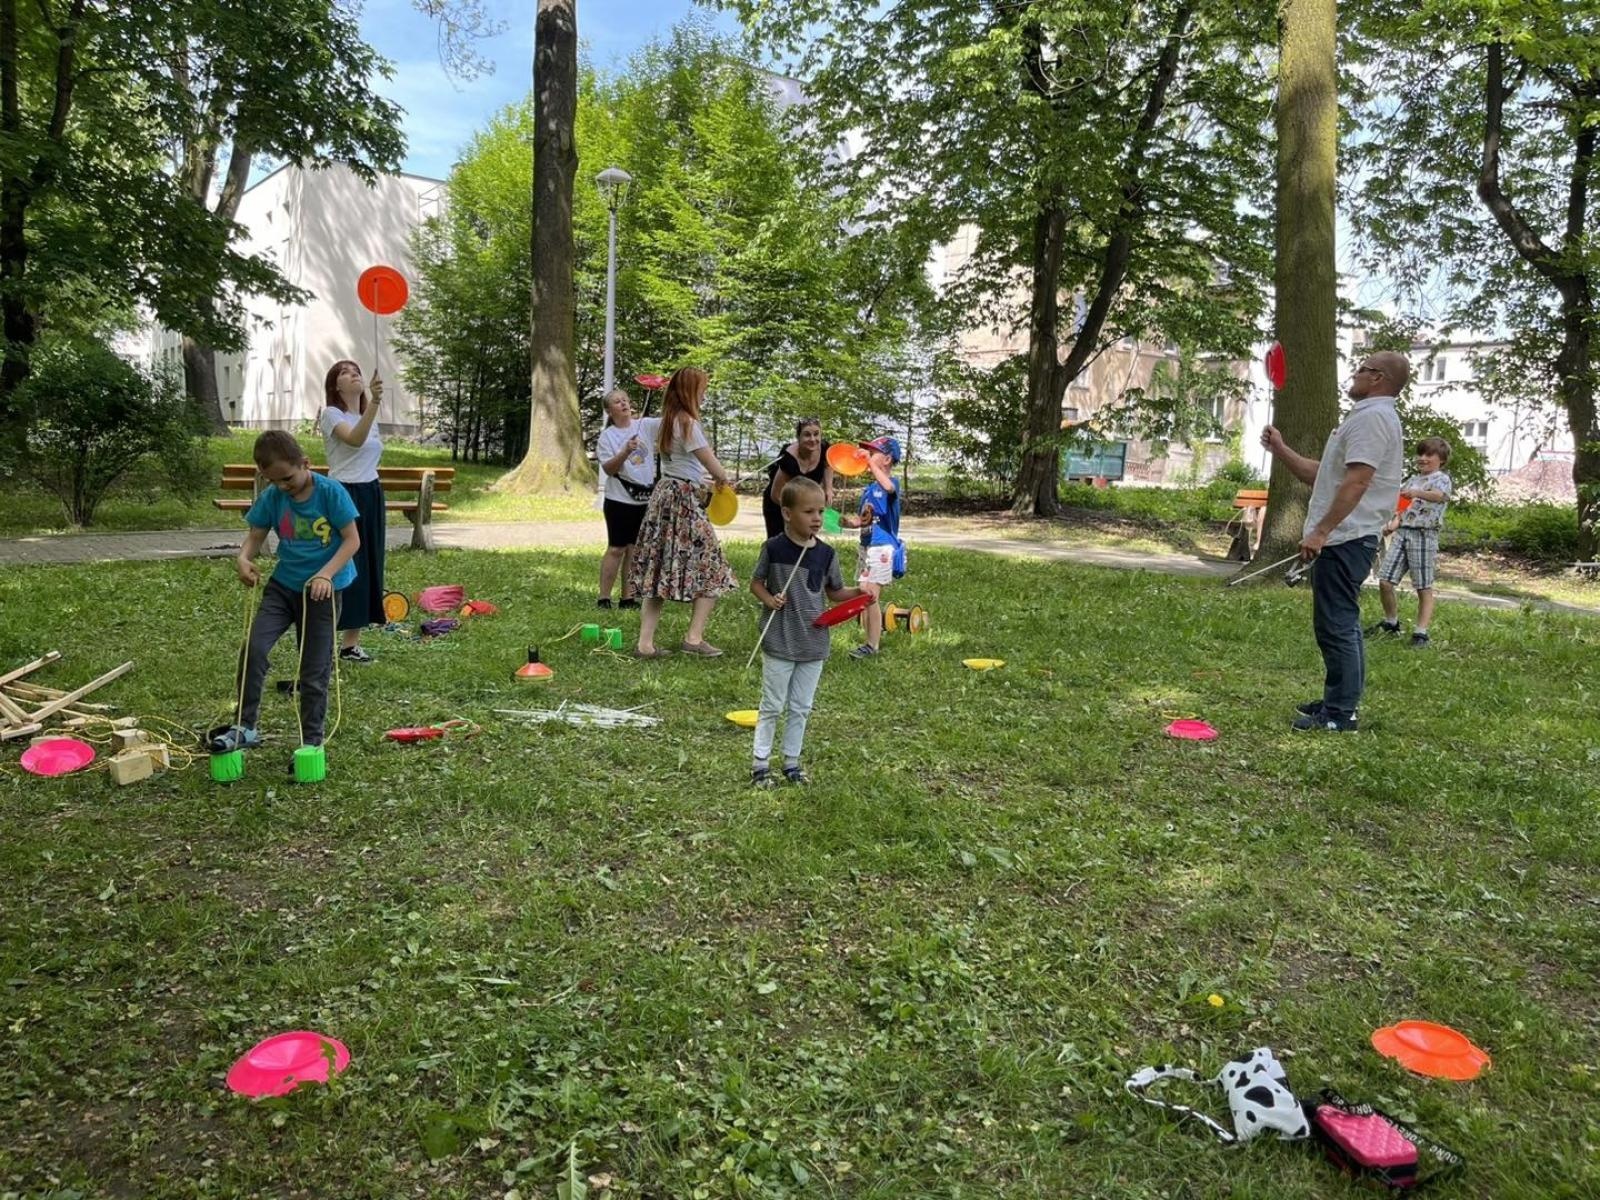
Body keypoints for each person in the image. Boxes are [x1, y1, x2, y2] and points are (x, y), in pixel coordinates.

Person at [1260, 351, 1406, 732]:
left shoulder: (1373, 419)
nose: (1355, 374)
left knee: (1336, 624)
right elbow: (1322, 474)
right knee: (1341, 622)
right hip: (1347, 535)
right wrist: (1281, 449)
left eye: (1362, 369)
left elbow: (1357, 482)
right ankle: (1340, 700)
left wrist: (1321, 531)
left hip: (1347, 537)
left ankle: (1340, 714)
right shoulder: (1366, 417)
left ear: (1378, 377)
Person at [214, 431, 360, 759]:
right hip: (283, 587)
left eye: (287, 478)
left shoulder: (331, 493)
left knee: (314, 667)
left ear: (305, 463)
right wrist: (243, 558)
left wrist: (325, 574)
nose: (282, 486)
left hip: (322, 591)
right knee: (254, 648)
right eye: (273, 481)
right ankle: (245, 727)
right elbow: (256, 534)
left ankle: (311, 741)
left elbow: (352, 540)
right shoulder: (273, 496)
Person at [749, 477, 864, 787]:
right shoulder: (774, 548)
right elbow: (756, 583)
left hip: (813, 642)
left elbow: (834, 592)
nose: (816, 518)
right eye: (808, 511)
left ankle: (791, 762)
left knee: (801, 707)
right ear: (787, 514)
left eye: (820, 511)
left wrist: (859, 592)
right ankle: (760, 765)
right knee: (772, 705)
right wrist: (769, 599)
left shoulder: (826, 554)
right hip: (780, 638)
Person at [625, 366, 738, 658]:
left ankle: (645, 644)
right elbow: (714, 466)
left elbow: (683, 466)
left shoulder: (665, 422)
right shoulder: (688, 423)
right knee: (712, 566)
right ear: (690, 391)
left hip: (665, 494)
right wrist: (723, 479)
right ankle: (693, 638)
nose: (704, 395)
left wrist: (706, 482)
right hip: (683, 500)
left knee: (658, 569)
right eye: (702, 390)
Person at [318, 360, 385, 663]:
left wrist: (371, 406)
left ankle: (350, 645)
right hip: (343, 493)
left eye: (356, 370)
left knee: (369, 563)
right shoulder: (331, 414)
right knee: (344, 564)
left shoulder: (366, 416)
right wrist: (376, 403)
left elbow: (367, 449)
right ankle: (324, 642)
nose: (353, 374)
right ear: (336, 385)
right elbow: (355, 440)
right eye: (344, 372)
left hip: (371, 491)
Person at [1370, 436, 1453, 647]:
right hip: (1402, 534)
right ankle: (1391, 623)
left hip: (1424, 535)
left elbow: (1438, 496)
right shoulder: (1412, 481)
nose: (1422, 458)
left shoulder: (1441, 479)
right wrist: (1392, 524)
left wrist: (1416, 493)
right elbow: (1402, 509)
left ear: (1441, 460)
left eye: (1429, 455)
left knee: (1423, 586)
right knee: (1385, 581)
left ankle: (1421, 633)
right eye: (1420, 454)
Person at [840, 435, 903, 660]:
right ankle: (868, 639)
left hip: (882, 547)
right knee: (863, 592)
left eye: (873, 453)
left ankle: (872, 645)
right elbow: (863, 519)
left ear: (886, 459)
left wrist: (869, 462)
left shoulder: (891, 484)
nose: (867, 456)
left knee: (870, 595)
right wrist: (849, 523)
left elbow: (888, 487)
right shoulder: (868, 490)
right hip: (866, 546)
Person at [595, 388, 655, 610]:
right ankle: (604, 597)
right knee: (616, 548)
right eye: (617, 402)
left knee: (634, 548)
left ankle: (627, 598)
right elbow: (609, 469)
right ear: (609, 411)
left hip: (644, 499)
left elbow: (671, 421)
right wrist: (625, 452)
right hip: (618, 500)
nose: (623, 404)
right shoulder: (607, 437)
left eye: (625, 400)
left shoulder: (645, 426)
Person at [762, 417, 834, 539]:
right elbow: (775, 494)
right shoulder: (789, 458)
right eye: (807, 435)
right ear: (798, 437)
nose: (813, 439)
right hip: (779, 504)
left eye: (816, 434)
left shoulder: (825, 449)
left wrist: (828, 488)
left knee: (805, 539)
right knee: (779, 542)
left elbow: (828, 465)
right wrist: (795, 512)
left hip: (805, 505)